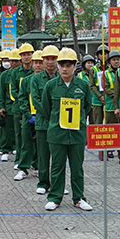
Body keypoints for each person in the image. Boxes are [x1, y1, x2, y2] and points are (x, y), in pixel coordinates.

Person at [41, 48, 92, 212]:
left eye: (69, 64)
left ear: (75, 66)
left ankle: (79, 198)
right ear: (57, 65)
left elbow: (87, 106)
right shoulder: (50, 86)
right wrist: (55, 122)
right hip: (57, 133)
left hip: (77, 133)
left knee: (77, 167)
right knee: (57, 166)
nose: (64, 68)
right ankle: (55, 198)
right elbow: (46, 108)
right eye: (62, 64)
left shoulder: (83, 85)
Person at [30, 45, 60, 195]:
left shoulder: (63, 77)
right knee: (43, 155)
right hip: (43, 122)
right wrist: (50, 114)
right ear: (43, 61)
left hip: (60, 124)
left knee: (58, 156)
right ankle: (43, 182)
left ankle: (57, 184)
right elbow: (35, 100)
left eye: (53, 59)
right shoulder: (36, 79)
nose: (50, 62)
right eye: (47, 59)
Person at [15, 49, 43, 181]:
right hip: (28, 117)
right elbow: (22, 99)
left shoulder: (48, 80)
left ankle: (38, 167)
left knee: (40, 144)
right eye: (35, 62)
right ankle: (23, 169)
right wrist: (27, 114)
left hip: (42, 117)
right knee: (26, 143)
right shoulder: (26, 80)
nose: (38, 65)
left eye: (40, 62)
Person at [9, 44, 35, 170]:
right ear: (20, 57)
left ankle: (34, 162)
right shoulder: (16, 73)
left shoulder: (35, 71)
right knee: (20, 136)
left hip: (34, 110)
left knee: (34, 138)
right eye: (24, 55)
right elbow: (13, 90)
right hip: (18, 108)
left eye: (29, 54)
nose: (26, 57)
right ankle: (19, 159)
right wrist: (22, 104)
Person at [0, 49, 20, 162]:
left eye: (16, 61)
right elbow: (1, 92)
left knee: (18, 131)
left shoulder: (25, 74)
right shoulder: (4, 75)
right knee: (7, 130)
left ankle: (15, 147)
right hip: (8, 106)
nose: (13, 63)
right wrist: (1, 106)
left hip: (20, 106)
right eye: (12, 61)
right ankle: (5, 149)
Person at [102, 50, 120, 159]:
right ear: (110, 61)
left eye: (118, 60)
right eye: (114, 60)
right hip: (110, 104)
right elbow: (105, 88)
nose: (116, 62)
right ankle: (109, 149)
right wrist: (117, 95)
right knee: (110, 127)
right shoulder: (106, 73)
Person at [89, 45, 109, 125]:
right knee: (97, 123)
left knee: (110, 123)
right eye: (101, 54)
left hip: (109, 99)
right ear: (97, 55)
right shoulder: (93, 69)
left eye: (105, 53)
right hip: (97, 99)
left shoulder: (111, 68)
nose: (103, 56)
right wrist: (100, 96)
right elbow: (92, 85)